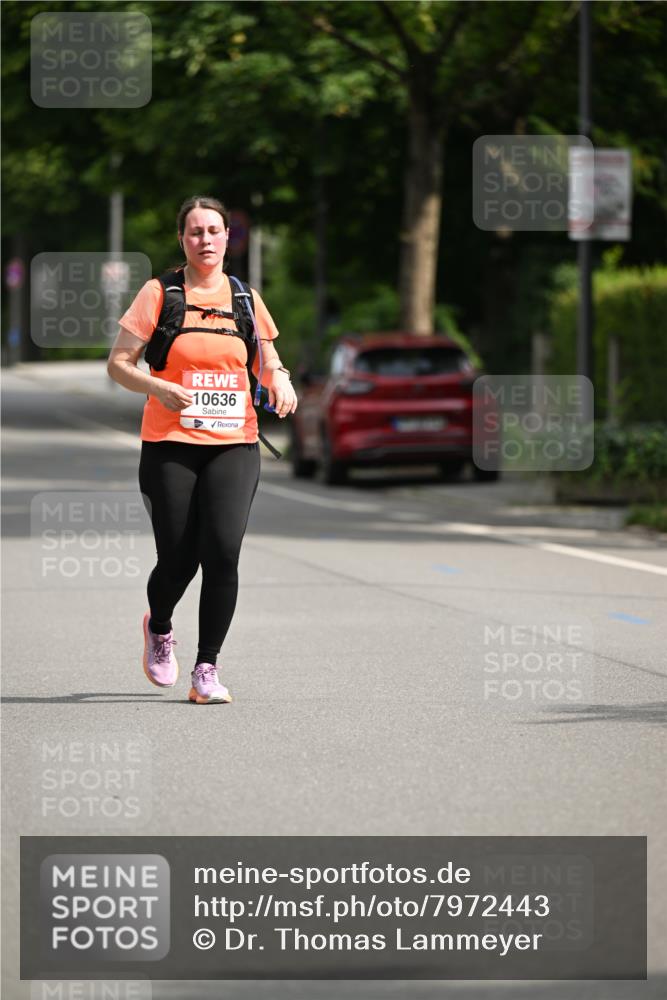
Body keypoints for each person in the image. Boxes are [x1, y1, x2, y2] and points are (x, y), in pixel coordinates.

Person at [107, 195, 297, 705]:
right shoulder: (159, 293)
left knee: (223, 553)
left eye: (214, 231)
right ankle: (161, 626)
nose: (205, 240)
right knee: (178, 558)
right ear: (182, 240)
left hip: (234, 442)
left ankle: (206, 668)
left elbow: (267, 358)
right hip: (170, 442)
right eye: (195, 232)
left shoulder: (243, 297)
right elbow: (118, 363)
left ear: (227, 238)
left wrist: (279, 380)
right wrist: (158, 387)